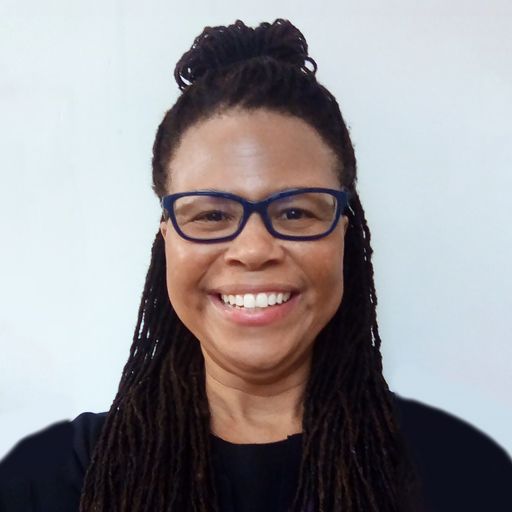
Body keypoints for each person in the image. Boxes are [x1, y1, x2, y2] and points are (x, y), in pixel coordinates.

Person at [1, 19, 511, 512]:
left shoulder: (464, 476)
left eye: (295, 212)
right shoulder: (51, 482)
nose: (253, 249)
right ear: (166, 238)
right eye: (211, 214)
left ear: (344, 232)